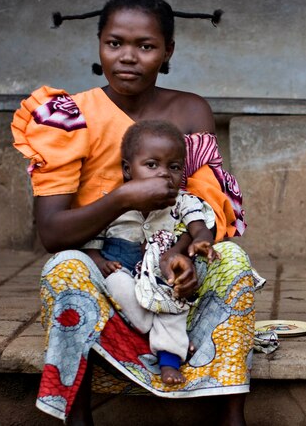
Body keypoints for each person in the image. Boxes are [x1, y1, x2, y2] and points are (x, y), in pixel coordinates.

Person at [11, 0, 254, 426]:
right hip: (105, 272)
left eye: (145, 46)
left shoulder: (190, 112)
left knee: (235, 263)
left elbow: (207, 204)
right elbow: (53, 233)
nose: (128, 56)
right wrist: (125, 197)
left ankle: (228, 412)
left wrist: (181, 252)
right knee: (63, 270)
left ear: (168, 51)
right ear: (99, 46)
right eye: (115, 43)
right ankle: (78, 416)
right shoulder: (68, 116)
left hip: (173, 275)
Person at [82, 120, 222, 386]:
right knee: (117, 285)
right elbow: (93, 239)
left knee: (175, 303)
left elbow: (200, 227)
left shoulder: (184, 201)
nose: (163, 174)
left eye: (174, 167)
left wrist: (203, 242)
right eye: (151, 165)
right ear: (127, 169)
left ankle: (168, 361)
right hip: (122, 274)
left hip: (163, 281)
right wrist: (98, 259)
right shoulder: (114, 202)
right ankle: (155, 337)